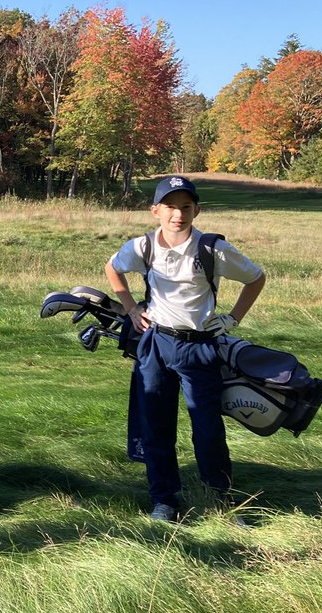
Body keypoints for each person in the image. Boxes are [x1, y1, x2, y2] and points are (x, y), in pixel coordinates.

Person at [105, 175, 266, 523]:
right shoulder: (143, 246)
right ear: (155, 211)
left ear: (196, 211)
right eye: (170, 207)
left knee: (207, 429)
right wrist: (131, 309)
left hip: (200, 347)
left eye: (186, 207)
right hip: (156, 344)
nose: (178, 214)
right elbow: (112, 268)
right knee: (156, 425)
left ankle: (219, 499)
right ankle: (164, 500)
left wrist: (232, 319)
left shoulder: (212, 249)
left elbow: (256, 278)